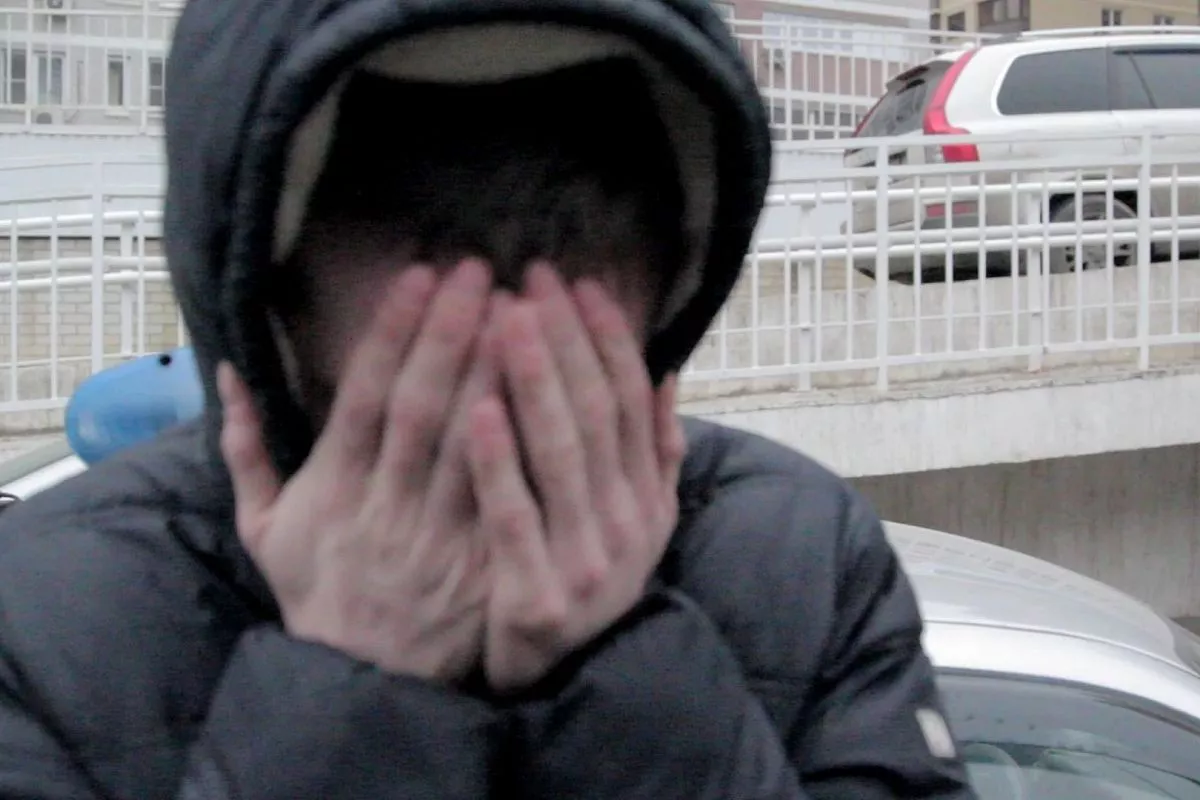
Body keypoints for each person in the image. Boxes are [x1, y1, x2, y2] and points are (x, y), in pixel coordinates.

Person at [0, 1, 978, 798]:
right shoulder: (38, 625)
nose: (504, 355)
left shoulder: (804, 560)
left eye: (576, 221)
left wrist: (632, 682)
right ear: (267, 285)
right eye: (414, 220)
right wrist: (346, 702)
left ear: (672, 275)